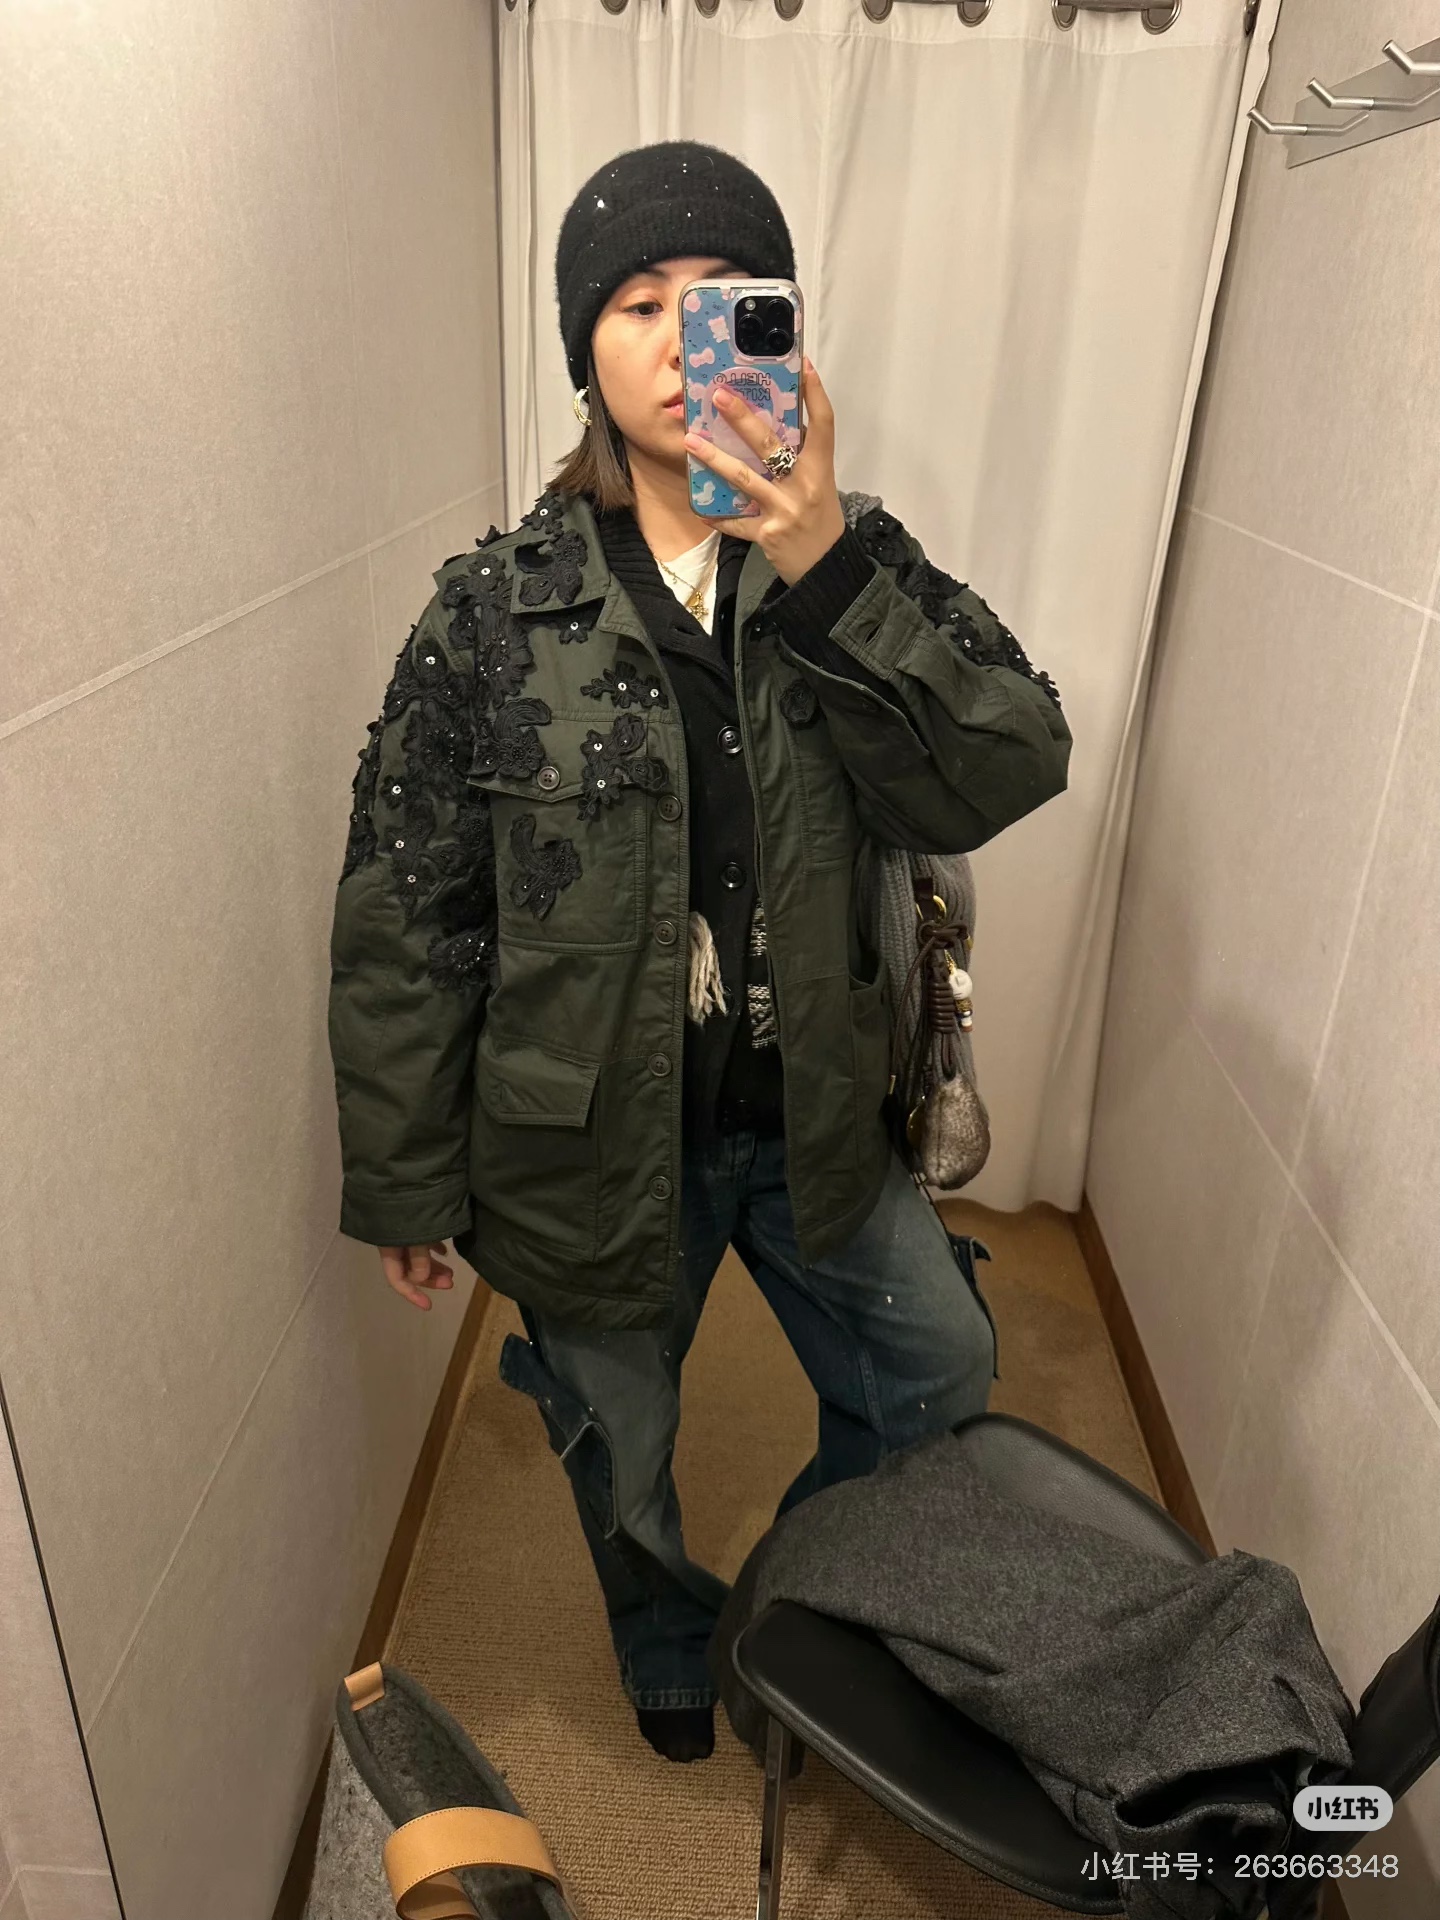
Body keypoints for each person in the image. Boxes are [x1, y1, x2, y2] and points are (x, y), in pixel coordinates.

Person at [327, 140, 1071, 1765]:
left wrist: (825, 564)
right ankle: (666, 1630)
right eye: (640, 304)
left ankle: (803, 1602)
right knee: (621, 1441)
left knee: (938, 1367)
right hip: (587, 1146)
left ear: (784, 336)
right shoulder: (492, 612)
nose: (682, 340)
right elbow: (408, 902)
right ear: (584, 354)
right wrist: (403, 1172)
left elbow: (1010, 763)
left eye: (728, 301)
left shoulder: (859, 562)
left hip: (815, 1113)